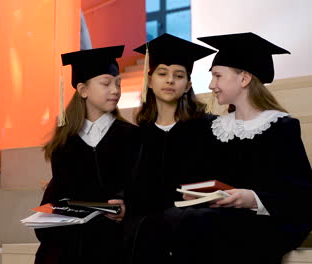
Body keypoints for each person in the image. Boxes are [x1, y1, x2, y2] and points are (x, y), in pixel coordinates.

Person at [163, 32, 312, 264]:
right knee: (174, 216)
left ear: (243, 79)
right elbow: (203, 178)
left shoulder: (280, 127)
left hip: (263, 219)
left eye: (218, 76)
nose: (212, 85)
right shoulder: (216, 128)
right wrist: (196, 193)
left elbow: (300, 194)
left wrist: (251, 198)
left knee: (201, 223)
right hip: (218, 214)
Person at [34, 45, 141, 264]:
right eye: (106, 83)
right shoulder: (64, 143)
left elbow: (141, 187)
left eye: (118, 84)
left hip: (114, 235)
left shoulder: (131, 136)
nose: (115, 90)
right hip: (74, 236)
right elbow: (58, 197)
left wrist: (127, 206)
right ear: (83, 90)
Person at [124, 33, 216, 263]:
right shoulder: (136, 136)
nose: (170, 80)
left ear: (188, 86)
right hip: (145, 236)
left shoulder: (208, 128)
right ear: (149, 80)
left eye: (179, 75)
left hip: (192, 232)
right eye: (162, 73)